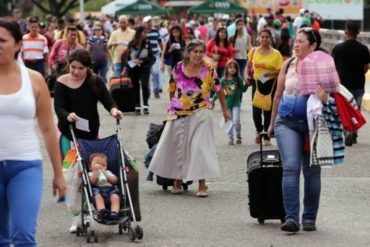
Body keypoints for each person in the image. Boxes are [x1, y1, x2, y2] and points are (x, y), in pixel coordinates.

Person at [0, 19, 66, 246]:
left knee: (24, 237)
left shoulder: (35, 80)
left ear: (18, 44)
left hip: (25, 166)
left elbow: (48, 130)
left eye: (2, 40)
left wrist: (59, 174)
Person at [149, 39, 230, 197]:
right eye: (195, 51)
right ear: (188, 53)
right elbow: (172, 88)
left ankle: (202, 184)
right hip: (179, 112)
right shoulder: (178, 67)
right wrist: (171, 106)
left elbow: (219, 89)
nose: (198, 55)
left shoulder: (208, 69)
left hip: (201, 111)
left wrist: (225, 111)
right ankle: (177, 181)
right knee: (179, 146)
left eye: (201, 52)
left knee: (200, 148)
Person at [53, 49, 123, 233]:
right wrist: (68, 115)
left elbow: (108, 101)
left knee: (91, 175)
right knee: (73, 178)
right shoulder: (61, 82)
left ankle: (97, 207)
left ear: (88, 67)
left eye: (80, 68)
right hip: (68, 136)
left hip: (90, 137)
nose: (75, 71)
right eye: (73, 67)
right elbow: (58, 107)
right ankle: (77, 217)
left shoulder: (94, 81)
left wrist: (114, 110)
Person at [268, 28, 327, 232]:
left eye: (301, 42)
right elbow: (277, 95)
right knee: (291, 167)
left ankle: (309, 217)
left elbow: (335, 95)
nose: (296, 44)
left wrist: (325, 98)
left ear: (313, 46)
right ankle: (291, 218)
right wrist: (271, 122)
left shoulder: (323, 66)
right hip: (287, 122)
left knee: (311, 171)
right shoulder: (288, 63)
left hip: (313, 125)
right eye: (295, 41)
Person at [331, 21, 370, 146]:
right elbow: (366, 68)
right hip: (358, 85)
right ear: (358, 32)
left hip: (342, 86)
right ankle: (353, 132)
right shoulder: (364, 49)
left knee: (343, 109)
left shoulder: (337, 48)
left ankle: (346, 130)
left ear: (345, 31)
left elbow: (332, 67)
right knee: (355, 109)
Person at [244, 28, 283, 146]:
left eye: (267, 37)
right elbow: (248, 66)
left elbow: (281, 71)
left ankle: (266, 135)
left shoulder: (276, 54)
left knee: (268, 110)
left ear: (270, 39)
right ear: (258, 38)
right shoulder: (253, 51)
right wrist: (246, 75)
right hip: (257, 83)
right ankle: (259, 131)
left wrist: (268, 74)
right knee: (256, 110)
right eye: (262, 37)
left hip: (271, 84)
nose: (264, 39)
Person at [212, 60, 247, 145]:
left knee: (236, 121)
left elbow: (243, 89)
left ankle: (238, 136)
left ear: (237, 69)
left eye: (234, 68)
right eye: (230, 67)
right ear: (226, 68)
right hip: (227, 105)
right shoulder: (223, 80)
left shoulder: (238, 79)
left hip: (236, 104)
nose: (232, 69)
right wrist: (212, 99)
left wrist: (246, 83)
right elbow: (218, 91)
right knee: (229, 121)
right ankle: (231, 138)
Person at [123, 25, 155, 115]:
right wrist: (126, 67)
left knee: (145, 85)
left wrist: (142, 60)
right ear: (139, 33)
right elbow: (127, 56)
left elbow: (151, 56)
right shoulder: (131, 43)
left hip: (144, 67)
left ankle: (145, 105)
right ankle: (137, 105)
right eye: (144, 32)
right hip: (133, 68)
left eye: (146, 32)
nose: (146, 34)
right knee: (135, 86)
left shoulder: (148, 43)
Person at [88, 153, 120, 221]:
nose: (100, 166)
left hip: (111, 190)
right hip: (98, 191)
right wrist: (96, 172)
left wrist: (107, 175)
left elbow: (115, 180)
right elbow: (92, 182)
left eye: (103, 165)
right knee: (97, 197)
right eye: (97, 164)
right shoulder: (91, 173)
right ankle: (102, 211)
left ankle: (114, 213)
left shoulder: (108, 172)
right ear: (90, 167)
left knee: (116, 197)